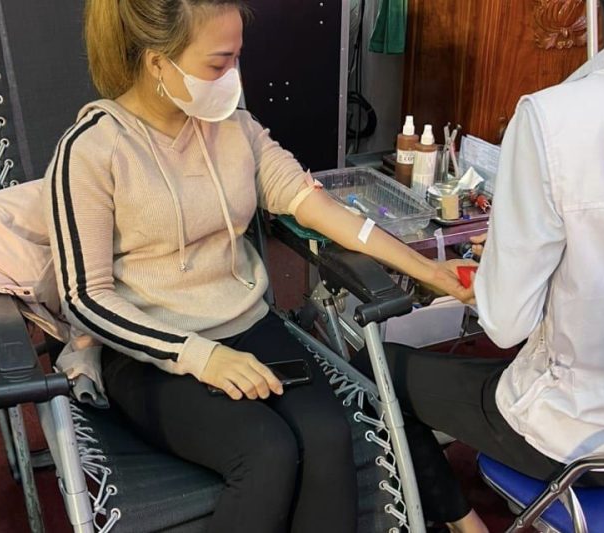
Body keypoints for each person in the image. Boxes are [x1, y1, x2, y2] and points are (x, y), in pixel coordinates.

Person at [44, 1, 473, 532]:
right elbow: (84, 298)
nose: (234, 79)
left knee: (327, 436)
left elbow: (315, 206)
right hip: (149, 351)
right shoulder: (90, 150)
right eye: (218, 63)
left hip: (246, 322)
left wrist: (429, 271)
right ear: (157, 62)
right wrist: (200, 357)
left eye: (237, 59)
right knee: (267, 453)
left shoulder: (235, 129)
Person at [354, 0, 604, 532]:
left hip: (575, 438)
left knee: (370, 367)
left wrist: (504, 269)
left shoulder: (555, 115)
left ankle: (467, 526)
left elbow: (505, 323)